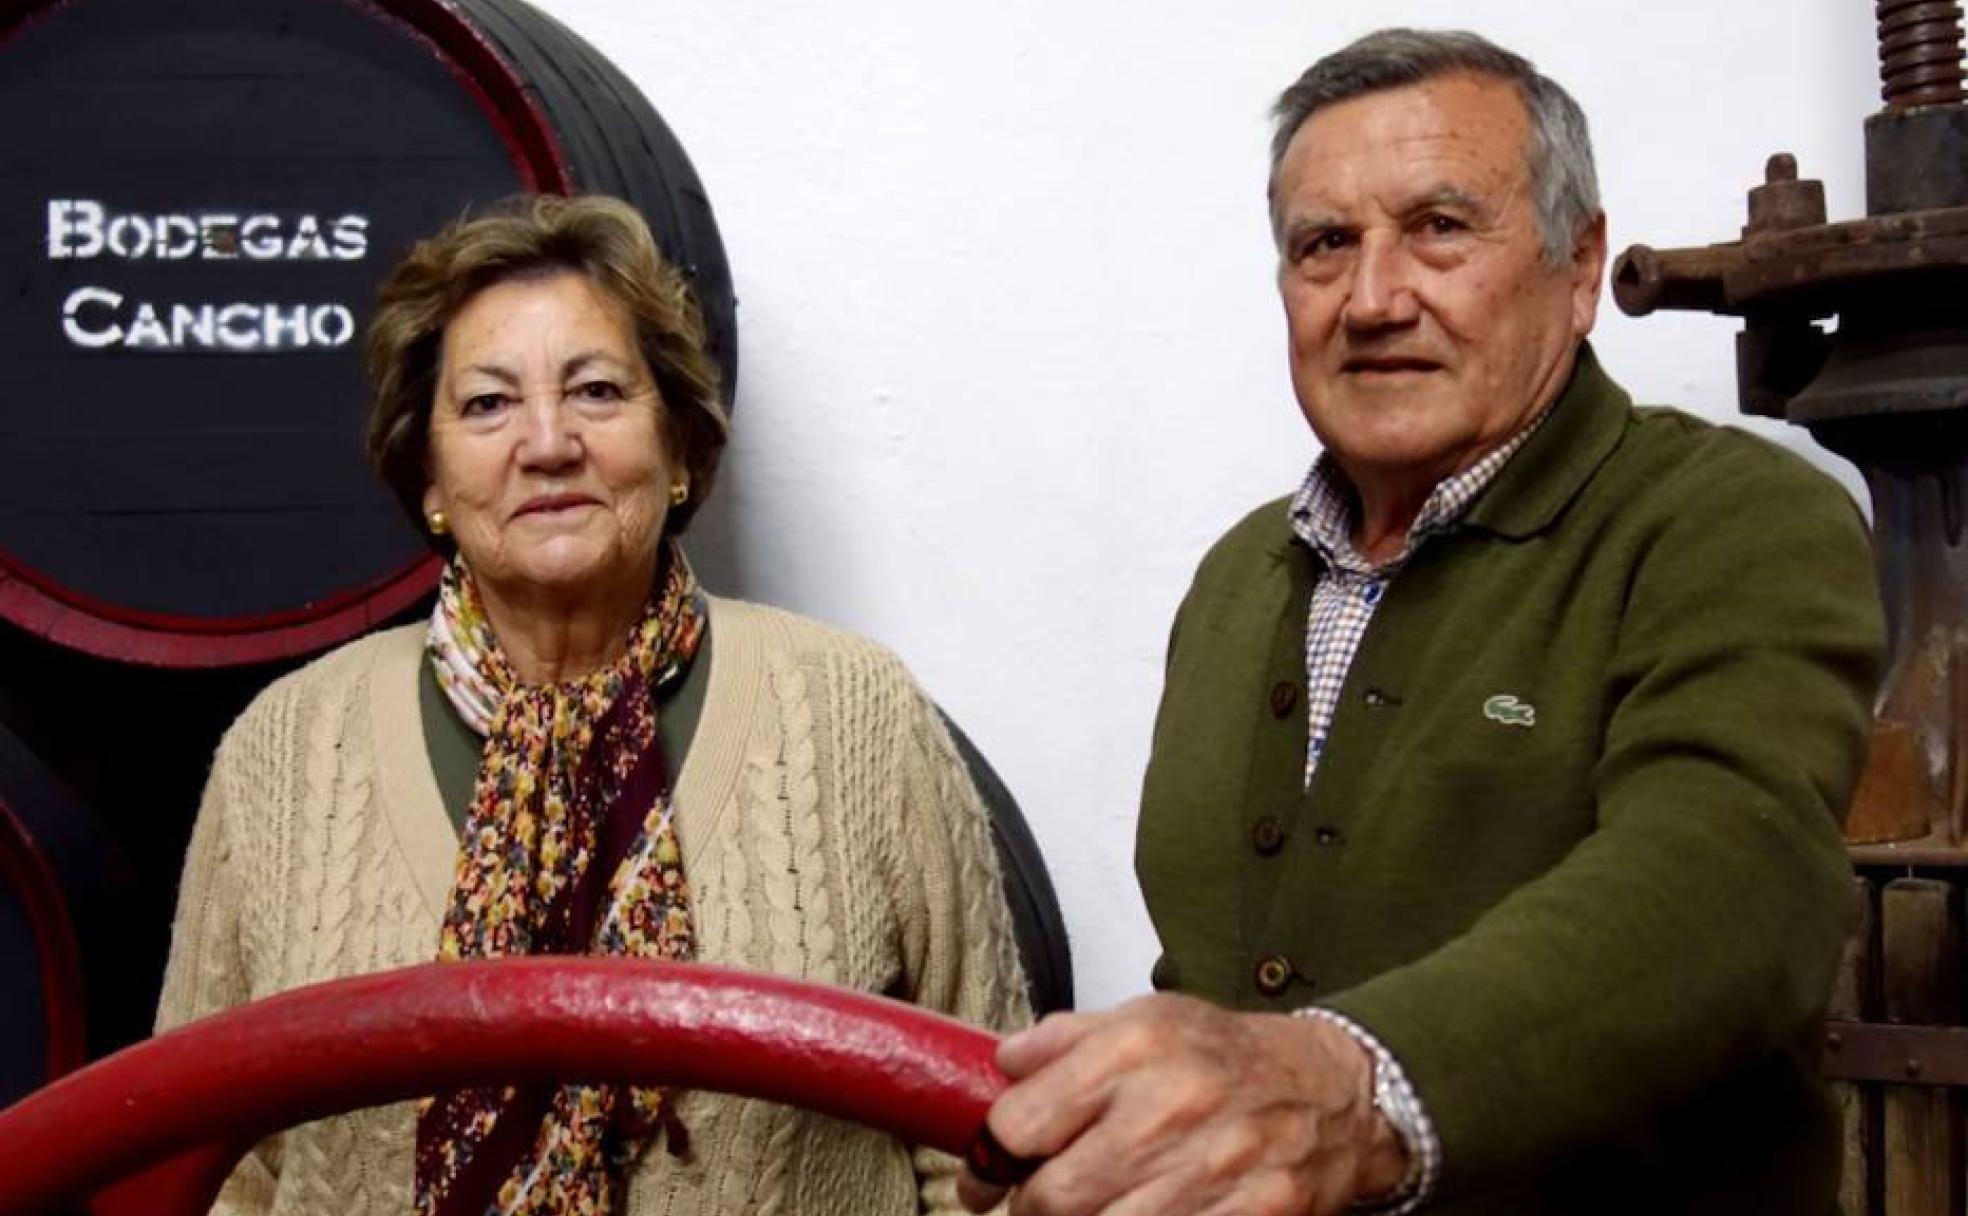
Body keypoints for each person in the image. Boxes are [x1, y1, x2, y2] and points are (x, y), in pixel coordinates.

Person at [961, 29, 1882, 1216]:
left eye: (1441, 227)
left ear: (1578, 264)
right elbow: (1219, 987)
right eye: (1324, 245)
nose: (1374, 298)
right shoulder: (1239, 580)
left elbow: (1736, 881)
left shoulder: (1728, 521)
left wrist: (1351, 1086)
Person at [157, 194, 1030, 1216]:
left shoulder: (856, 711)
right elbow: (204, 1165)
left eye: (599, 391)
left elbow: (992, 1149)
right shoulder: (286, 747)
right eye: (486, 404)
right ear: (430, 475)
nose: (547, 442)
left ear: (678, 450)